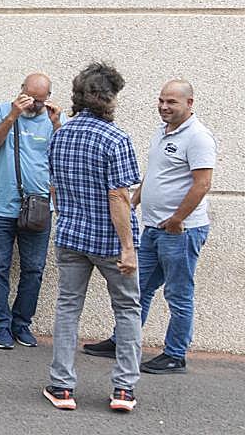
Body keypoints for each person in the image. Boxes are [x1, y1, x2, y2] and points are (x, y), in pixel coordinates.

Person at [83, 79, 216, 374]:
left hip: (180, 232)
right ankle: (122, 340)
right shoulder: (162, 132)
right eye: (161, 101)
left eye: (171, 102)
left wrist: (177, 220)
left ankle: (175, 355)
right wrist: (132, 203)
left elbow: (202, 184)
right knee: (136, 289)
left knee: (178, 294)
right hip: (153, 228)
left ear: (189, 103)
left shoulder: (198, 137)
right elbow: (154, 175)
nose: (164, 107)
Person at [43, 62, 142, 414]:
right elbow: (119, 197)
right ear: (108, 98)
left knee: (68, 307)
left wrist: (68, 216)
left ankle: (62, 387)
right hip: (110, 242)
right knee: (127, 310)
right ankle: (123, 389)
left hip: (71, 236)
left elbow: (55, 187)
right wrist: (128, 248)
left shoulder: (61, 135)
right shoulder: (116, 139)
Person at [0, 73, 63, 349]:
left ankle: (22, 323)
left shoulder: (53, 119)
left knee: (34, 269)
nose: (34, 104)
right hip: (0, 205)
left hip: (38, 207)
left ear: (48, 97)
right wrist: (12, 116)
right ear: (21, 91)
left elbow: (65, 158)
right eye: (29, 97)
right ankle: (1, 326)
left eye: (40, 100)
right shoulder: (3, 111)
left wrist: (57, 124)